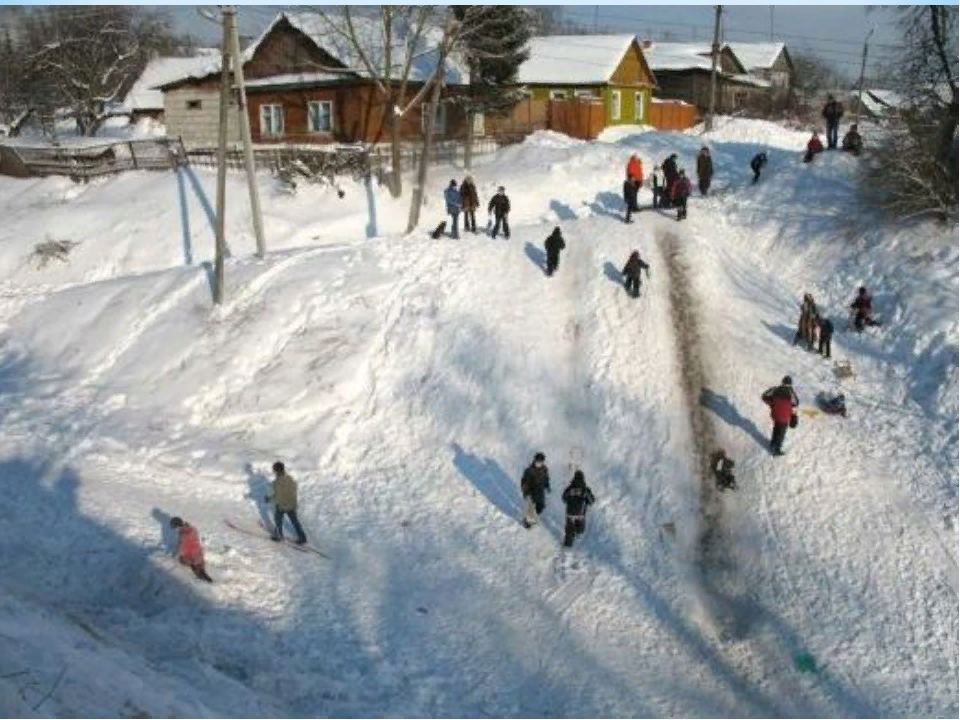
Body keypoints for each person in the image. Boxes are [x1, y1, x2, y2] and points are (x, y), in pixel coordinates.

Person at [265, 461, 307, 544]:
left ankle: (278, 536)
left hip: (282, 505)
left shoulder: (277, 482)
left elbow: (278, 496)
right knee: (295, 522)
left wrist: (269, 499)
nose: (273, 472)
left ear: (276, 470)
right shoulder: (290, 479)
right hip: (291, 504)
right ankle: (302, 537)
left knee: (278, 520)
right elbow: (294, 490)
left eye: (274, 470)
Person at [761, 375, 799, 456]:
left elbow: (764, 396)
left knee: (776, 428)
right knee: (781, 433)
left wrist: (772, 404)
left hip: (775, 414)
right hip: (784, 416)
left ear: (782, 382)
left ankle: (772, 443)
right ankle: (777, 450)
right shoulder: (791, 392)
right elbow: (796, 402)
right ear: (790, 383)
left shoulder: (776, 389)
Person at [170, 517, 212, 582]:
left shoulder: (184, 534)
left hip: (192, 557)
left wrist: (176, 556)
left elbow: (181, 548)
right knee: (200, 569)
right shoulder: (191, 529)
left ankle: (203, 578)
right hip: (199, 554)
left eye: (175, 528)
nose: (175, 530)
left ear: (178, 526)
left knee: (183, 560)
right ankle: (203, 575)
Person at [561, 470, 595, 548]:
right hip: (581, 514)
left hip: (570, 514)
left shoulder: (569, 488)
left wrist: (570, 498)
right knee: (580, 530)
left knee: (569, 532)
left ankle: (567, 546)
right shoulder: (585, 489)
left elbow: (563, 499)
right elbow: (592, 501)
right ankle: (578, 534)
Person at [520, 452, 551, 529]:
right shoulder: (529, 470)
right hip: (531, 491)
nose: (539, 463)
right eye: (538, 462)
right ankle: (527, 522)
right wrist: (525, 491)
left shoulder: (545, 469)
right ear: (535, 460)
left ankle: (535, 514)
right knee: (531, 507)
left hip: (540, 490)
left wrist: (547, 486)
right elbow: (524, 481)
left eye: (541, 462)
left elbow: (546, 478)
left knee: (541, 506)